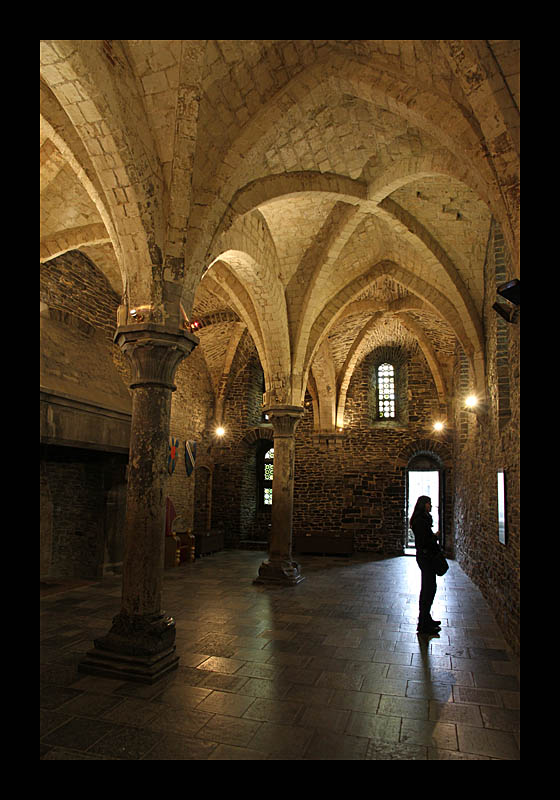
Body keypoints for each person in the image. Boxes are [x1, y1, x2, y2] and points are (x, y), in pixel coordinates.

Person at [410, 495, 441, 634]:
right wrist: (434, 536)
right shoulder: (420, 521)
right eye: (429, 503)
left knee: (429, 588)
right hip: (425, 557)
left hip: (425, 556)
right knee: (428, 589)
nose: (430, 506)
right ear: (423, 504)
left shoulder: (422, 519)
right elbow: (424, 540)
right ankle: (423, 623)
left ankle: (426, 618)